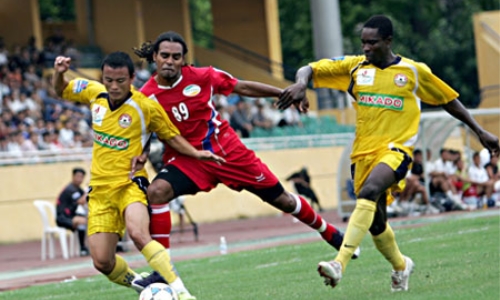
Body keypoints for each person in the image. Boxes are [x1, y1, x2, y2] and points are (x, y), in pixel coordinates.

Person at [277, 15, 500, 292]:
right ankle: (400, 265)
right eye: (363, 43)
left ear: (388, 41)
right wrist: (300, 84)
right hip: (362, 155)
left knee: (369, 192)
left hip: (397, 150)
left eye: (372, 43)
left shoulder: (413, 71)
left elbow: (448, 100)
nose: (366, 48)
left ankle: (339, 263)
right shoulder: (354, 68)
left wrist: (479, 131)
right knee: (376, 222)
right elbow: (308, 69)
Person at [132, 31, 358, 287]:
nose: (170, 61)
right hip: (189, 160)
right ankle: (163, 271)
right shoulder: (145, 96)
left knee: (282, 200)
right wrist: (140, 153)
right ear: (155, 57)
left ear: (184, 59)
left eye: (176, 56)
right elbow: (144, 129)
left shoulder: (204, 76)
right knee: (157, 191)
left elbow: (242, 86)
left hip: (228, 152)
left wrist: (282, 93)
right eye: (165, 56)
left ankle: (328, 232)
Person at [52, 52, 224, 300]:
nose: (113, 86)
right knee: (102, 261)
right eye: (108, 79)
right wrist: (59, 73)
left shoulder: (146, 106)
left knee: (138, 233)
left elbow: (171, 136)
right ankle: (144, 287)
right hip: (100, 191)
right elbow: (62, 90)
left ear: (132, 78)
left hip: (130, 184)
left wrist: (197, 154)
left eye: (120, 80)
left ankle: (183, 293)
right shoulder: (93, 92)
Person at [55, 167, 89, 256]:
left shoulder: (78, 189)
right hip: (62, 218)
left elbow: (87, 201)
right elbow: (82, 201)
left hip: (71, 216)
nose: (80, 179)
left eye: (82, 177)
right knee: (84, 222)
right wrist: (88, 190)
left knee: (89, 219)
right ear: (73, 176)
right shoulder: (70, 189)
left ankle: (85, 247)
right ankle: (83, 248)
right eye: (78, 176)